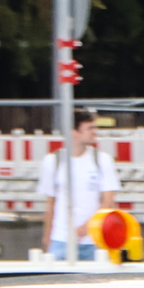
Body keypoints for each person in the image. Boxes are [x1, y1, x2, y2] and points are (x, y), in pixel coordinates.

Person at [37, 109, 118, 260]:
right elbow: (50, 203)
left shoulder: (102, 160)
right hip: (61, 239)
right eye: (89, 128)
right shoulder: (52, 161)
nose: (95, 132)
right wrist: (47, 236)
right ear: (74, 132)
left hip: (95, 240)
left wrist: (86, 227)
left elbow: (108, 201)